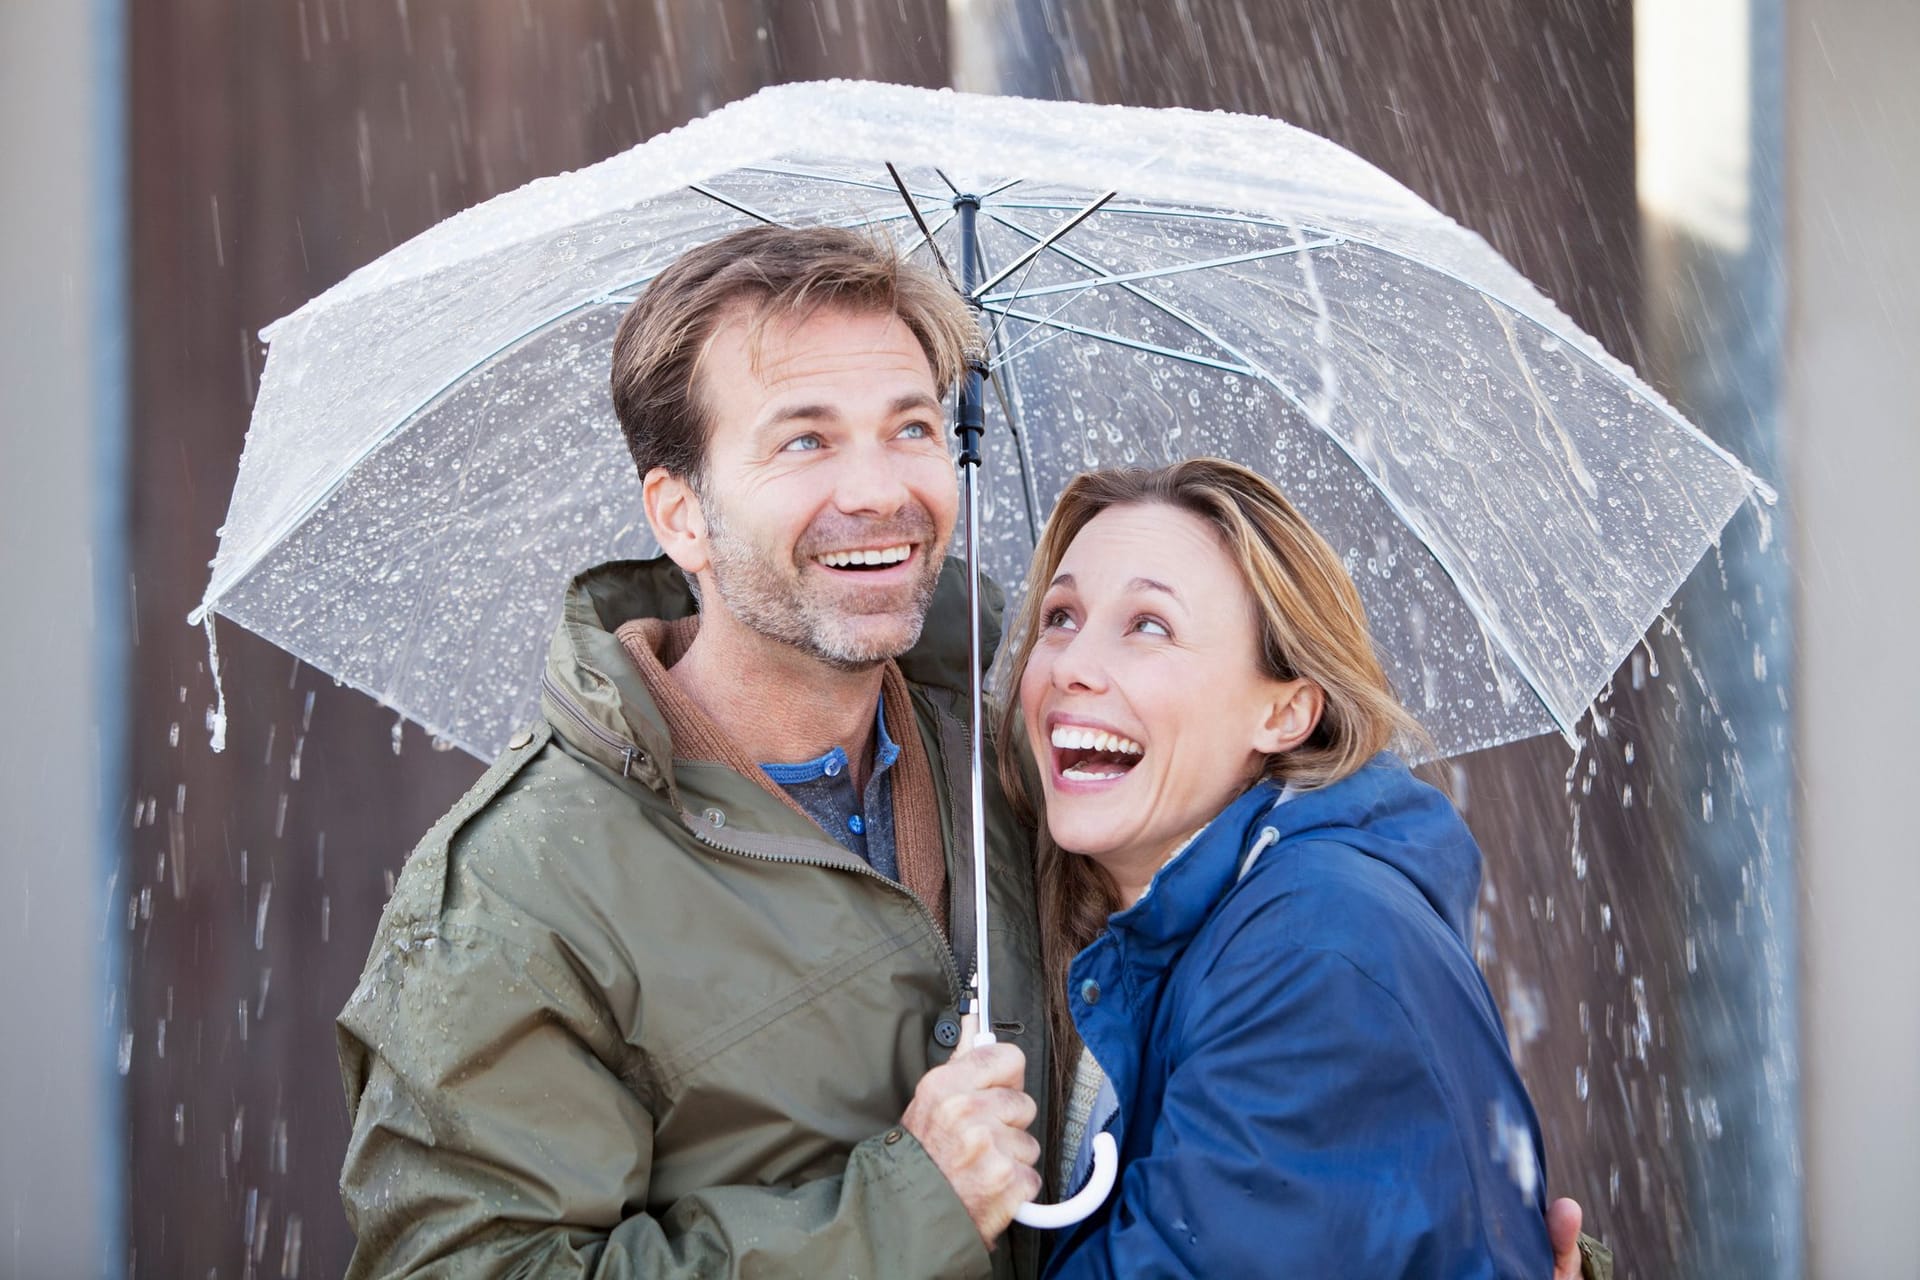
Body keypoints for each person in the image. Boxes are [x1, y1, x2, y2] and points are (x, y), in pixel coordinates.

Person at [337, 225, 1600, 1279]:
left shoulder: (1019, 775)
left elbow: (1246, 1117)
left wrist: (1455, 1235)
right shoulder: (517, 896)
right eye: (804, 438)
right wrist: (904, 1205)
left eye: (911, 427)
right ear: (682, 513)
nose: (880, 489)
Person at [996, 458, 1587, 1277]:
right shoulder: (1167, 928)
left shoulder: (1315, 946)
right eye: (1060, 617)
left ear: (1284, 711)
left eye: (1150, 626)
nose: (1069, 666)